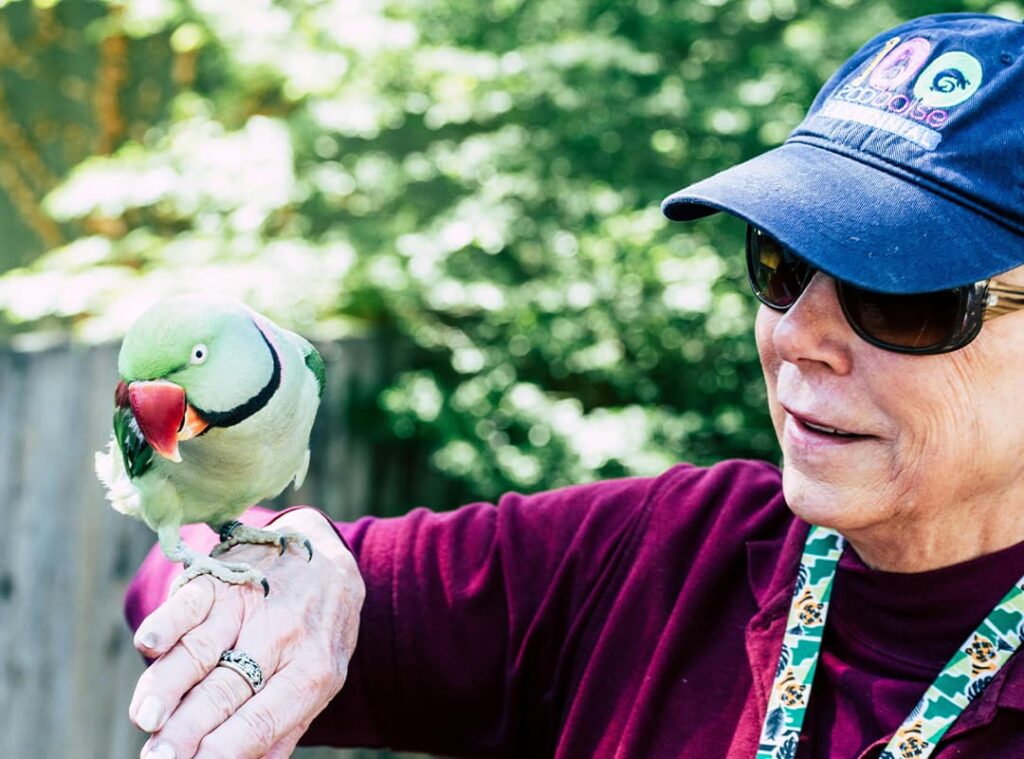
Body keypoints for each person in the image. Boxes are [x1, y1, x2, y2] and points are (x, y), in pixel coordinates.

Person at [123, 12, 1024, 759]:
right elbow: (165, 569)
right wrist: (280, 572)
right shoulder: (660, 559)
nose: (795, 333)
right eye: (781, 263)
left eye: (903, 293)